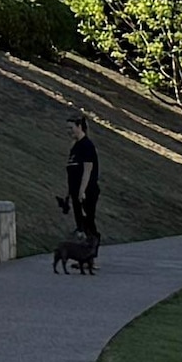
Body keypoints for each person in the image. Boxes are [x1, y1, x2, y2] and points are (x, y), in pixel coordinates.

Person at [57, 111, 103, 273]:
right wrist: (70, 194)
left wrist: (82, 191)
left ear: (79, 127)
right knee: (81, 226)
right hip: (76, 192)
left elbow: (88, 169)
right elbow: (72, 171)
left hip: (87, 191)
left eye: (71, 128)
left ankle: (91, 258)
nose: (68, 131)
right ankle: (83, 257)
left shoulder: (86, 146)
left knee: (88, 225)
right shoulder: (75, 146)